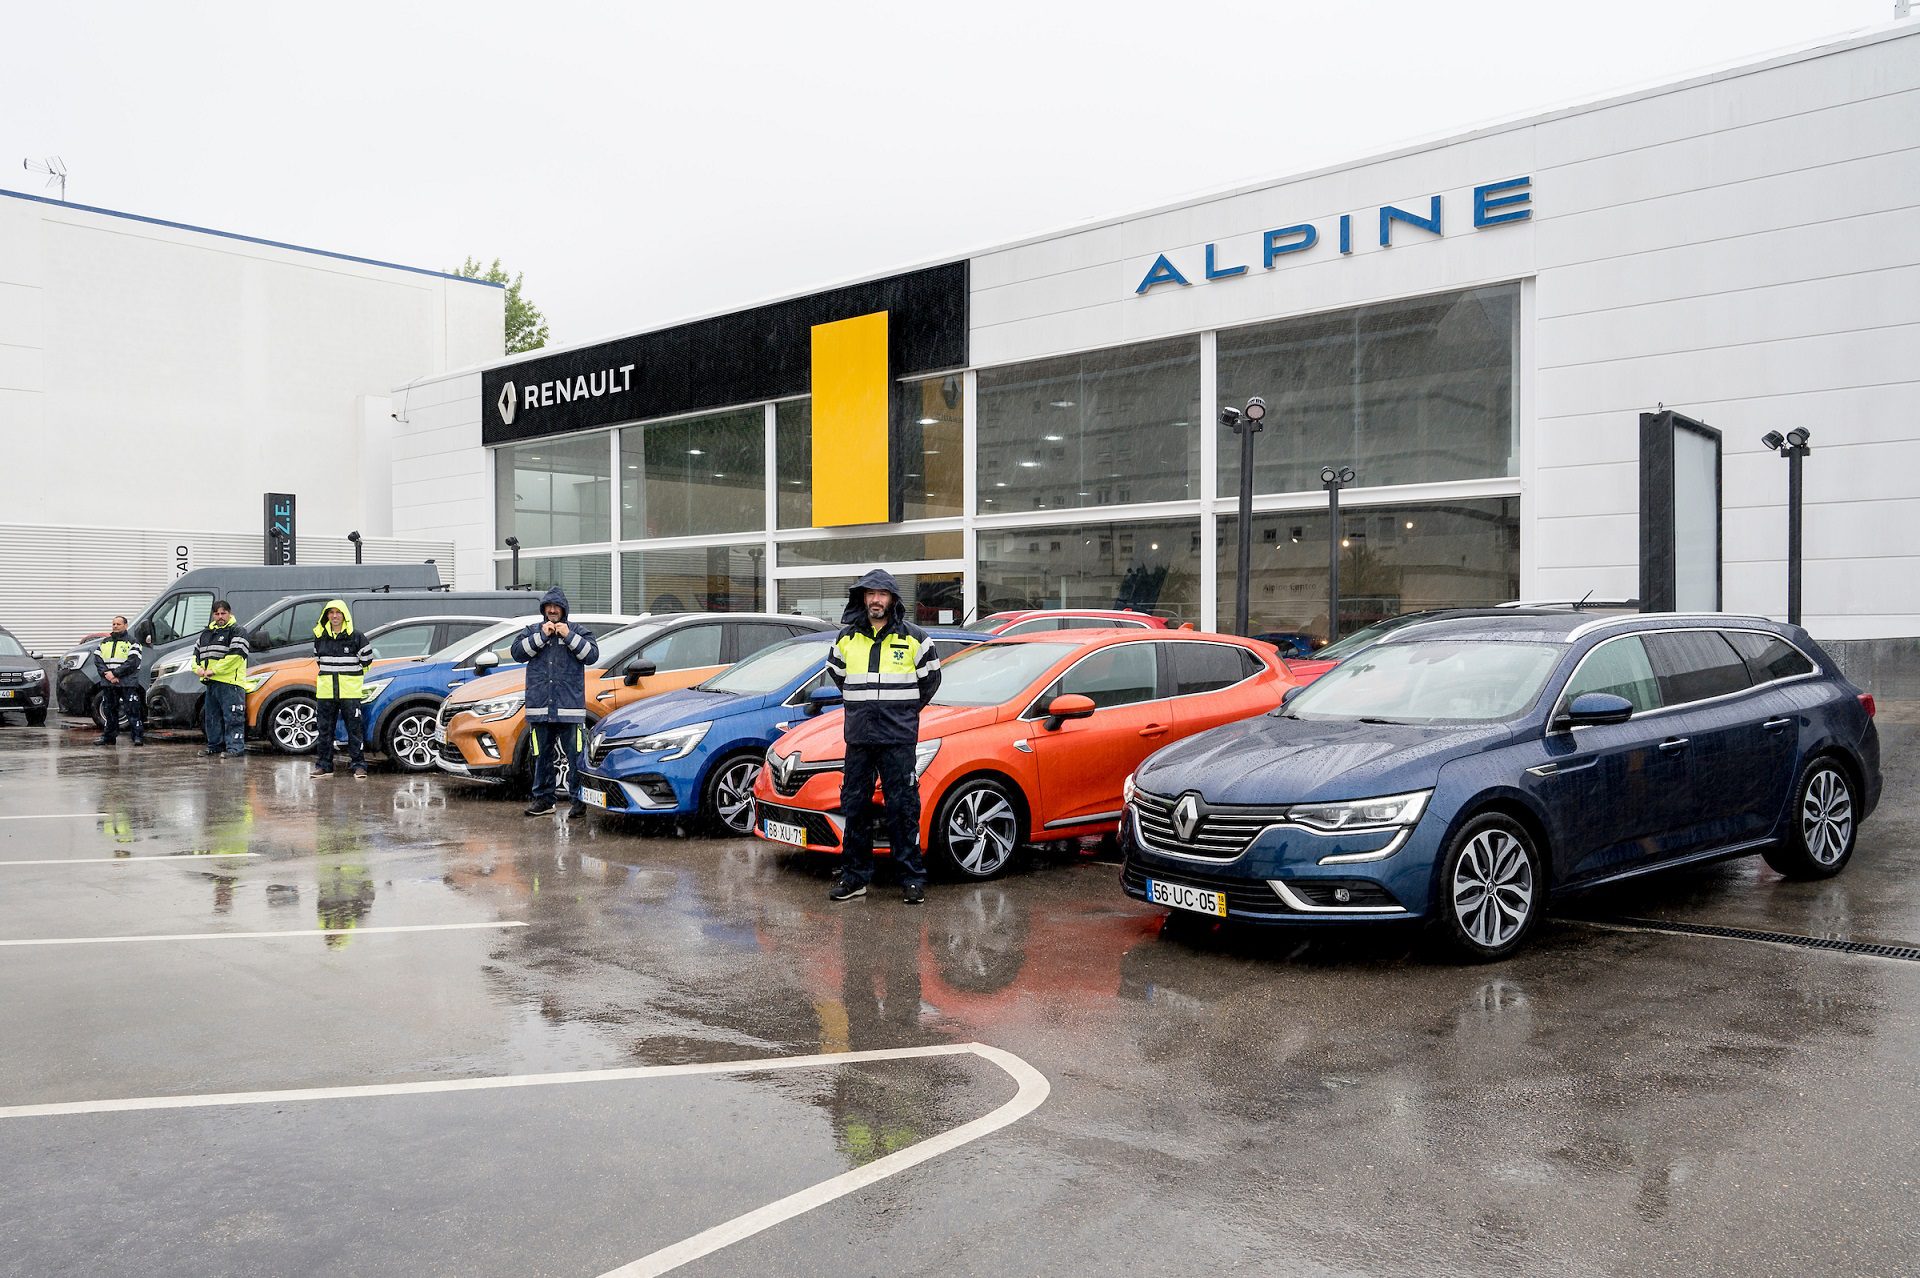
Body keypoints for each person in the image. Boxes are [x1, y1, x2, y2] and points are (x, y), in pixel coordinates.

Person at [825, 568, 941, 905]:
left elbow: (930, 682)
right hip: (859, 739)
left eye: (883, 594)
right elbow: (838, 676)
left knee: (902, 808)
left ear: (892, 599)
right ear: (863, 598)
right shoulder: (846, 639)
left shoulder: (916, 639)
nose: (876, 600)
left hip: (898, 739)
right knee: (855, 808)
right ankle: (855, 877)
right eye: (870, 593)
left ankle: (911, 879)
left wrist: (902, 713)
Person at [510, 586, 599, 818]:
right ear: (543, 610)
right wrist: (542, 636)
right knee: (541, 758)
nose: (551, 610)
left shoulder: (577, 631)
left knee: (576, 757)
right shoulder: (533, 631)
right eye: (548, 607)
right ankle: (544, 800)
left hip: (570, 710)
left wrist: (568, 635)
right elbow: (517, 653)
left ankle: (578, 801)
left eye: (556, 607)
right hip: (540, 710)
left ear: (563, 610)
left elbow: (591, 655)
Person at [310, 599, 374, 780]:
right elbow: (319, 661)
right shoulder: (320, 637)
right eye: (331, 612)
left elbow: (367, 662)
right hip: (326, 692)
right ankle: (324, 766)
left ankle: (359, 766)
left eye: (338, 612)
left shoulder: (357, 637)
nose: (335, 616)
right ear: (326, 616)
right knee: (324, 730)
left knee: (355, 730)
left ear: (344, 615)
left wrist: (353, 680)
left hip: (350, 692)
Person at [193, 599, 251, 758]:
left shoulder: (238, 631)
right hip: (211, 683)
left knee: (233, 718)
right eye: (217, 613)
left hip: (231, 683)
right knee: (212, 718)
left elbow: (236, 656)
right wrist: (197, 669)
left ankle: (235, 749)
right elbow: (195, 655)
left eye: (223, 613)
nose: (220, 617)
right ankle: (214, 746)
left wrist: (214, 670)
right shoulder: (206, 634)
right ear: (213, 615)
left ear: (230, 613)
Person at [92, 614, 144, 747]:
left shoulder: (133, 642)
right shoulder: (105, 642)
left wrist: (115, 674)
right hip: (109, 683)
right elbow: (98, 660)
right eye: (113, 624)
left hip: (127, 683)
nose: (115, 626)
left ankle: (137, 737)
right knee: (109, 711)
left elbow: (132, 662)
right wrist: (107, 674)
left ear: (125, 626)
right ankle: (109, 737)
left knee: (132, 710)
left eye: (118, 624)